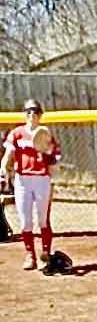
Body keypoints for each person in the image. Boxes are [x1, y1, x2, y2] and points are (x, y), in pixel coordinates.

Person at [0, 98, 61, 270]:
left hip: (41, 179)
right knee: (25, 221)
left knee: (42, 220)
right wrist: (3, 169)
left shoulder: (46, 134)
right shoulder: (17, 133)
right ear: (24, 114)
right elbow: (8, 154)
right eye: (28, 111)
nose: (32, 114)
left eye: (35, 111)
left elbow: (54, 161)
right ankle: (30, 255)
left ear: (40, 115)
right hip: (23, 180)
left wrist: (48, 152)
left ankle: (45, 255)